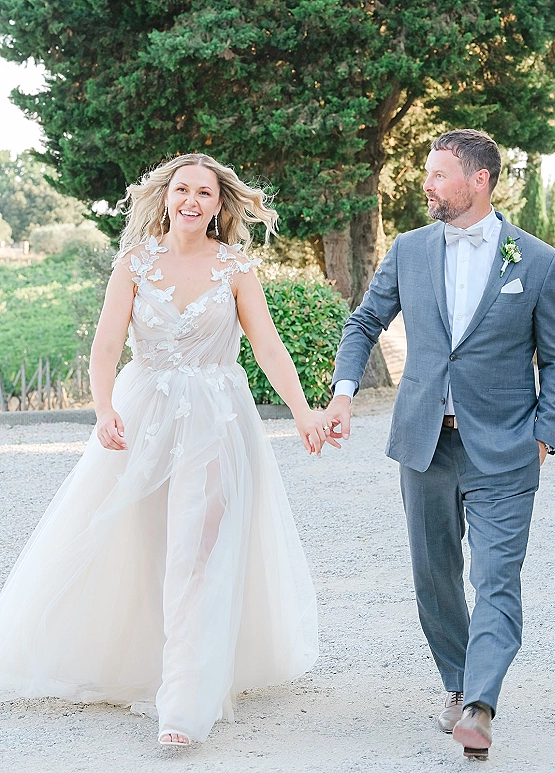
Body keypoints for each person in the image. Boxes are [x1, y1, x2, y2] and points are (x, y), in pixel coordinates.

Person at [0, 153, 326, 746]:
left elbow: (270, 349)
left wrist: (303, 412)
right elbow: (105, 348)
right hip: (142, 417)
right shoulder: (133, 264)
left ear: (220, 205)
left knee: (196, 557)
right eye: (182, 190)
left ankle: (183, 703)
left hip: (216, 422)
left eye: (205, 192)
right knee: (145, 548)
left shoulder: (236, 268)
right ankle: (145, 662)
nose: (192, 201)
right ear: (166, 196)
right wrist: (103, 409)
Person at [324, 130, 555, 760]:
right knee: (435, 577)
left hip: (506, 449)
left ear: (478, 180)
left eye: (438, 174)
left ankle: (480, 706)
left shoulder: (536, 260)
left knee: (496, 578)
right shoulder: (408, 251)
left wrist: (545, 435)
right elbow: (364, 322)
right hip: (425, 444)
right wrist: (345, 390)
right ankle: (459, 683)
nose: (427, 185)